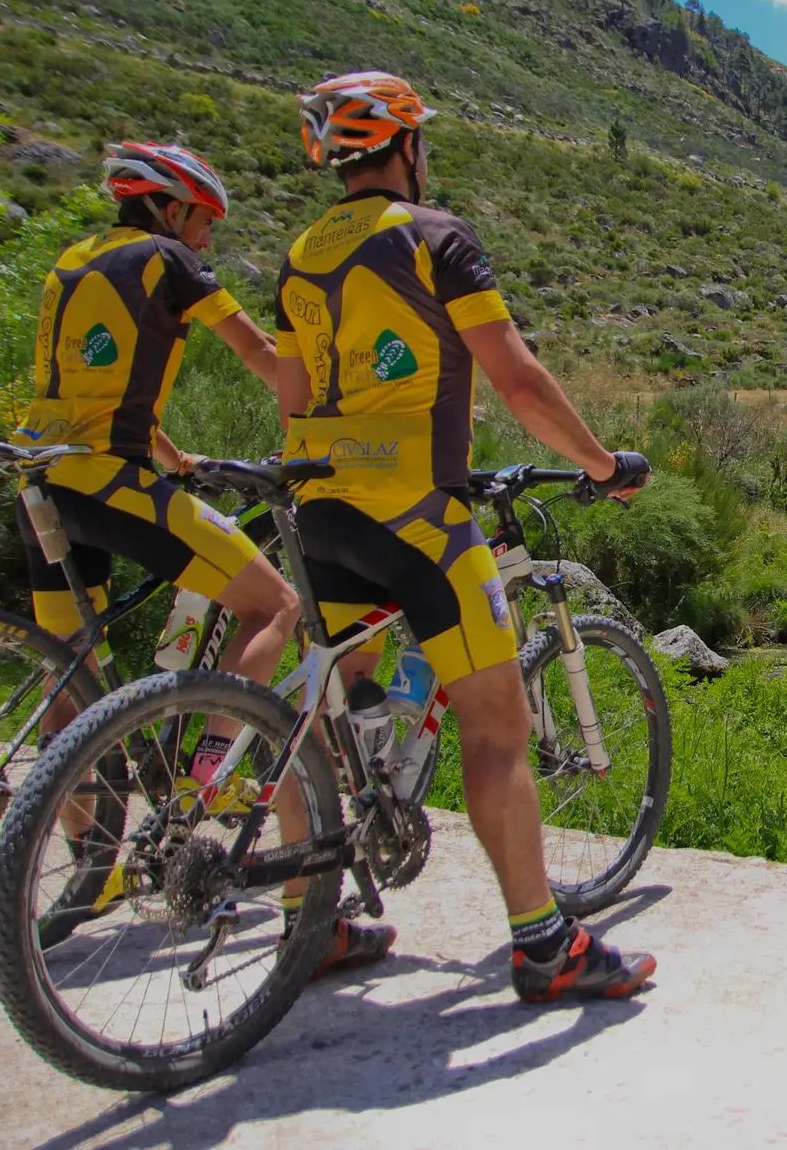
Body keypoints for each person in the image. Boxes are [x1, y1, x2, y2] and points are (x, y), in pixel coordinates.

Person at [275, 71, 655, 999]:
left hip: (321, 511)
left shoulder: (300, 255)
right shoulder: (433, 236)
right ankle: (545, 946)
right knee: (497, 725)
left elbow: (294, 399)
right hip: (413, 514)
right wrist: (602, 463)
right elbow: (518, 382)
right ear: (407, 146)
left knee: (332, 706)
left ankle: (309, 918)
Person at [13, 143, 300, 940]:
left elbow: (89, 391)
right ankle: (211, 775)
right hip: (107, 483)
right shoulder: (168, 259)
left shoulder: (73, 260)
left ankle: (90, 873)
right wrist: (324, 426)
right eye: (205, 221)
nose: (207, 238)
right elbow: (260, 353)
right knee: (273, 604)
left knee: (71, 677)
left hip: (40, 481)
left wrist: (176, 461)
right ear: (170, 209)